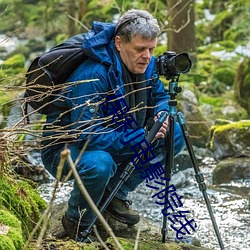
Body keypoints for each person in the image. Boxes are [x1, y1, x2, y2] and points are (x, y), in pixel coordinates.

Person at [41, 9, 186, 241]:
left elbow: (159, 96)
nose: (147, 56)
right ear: (119, 43)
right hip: (67, 150)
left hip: (120, 136)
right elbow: (86, 134)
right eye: (140, 49)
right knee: (100, 164)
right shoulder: (92, 75)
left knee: (175, 132)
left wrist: (162, 114)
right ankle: (76, 221)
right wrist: (142, 137)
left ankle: (115, 193)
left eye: (152, 49)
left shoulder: (145, 64)